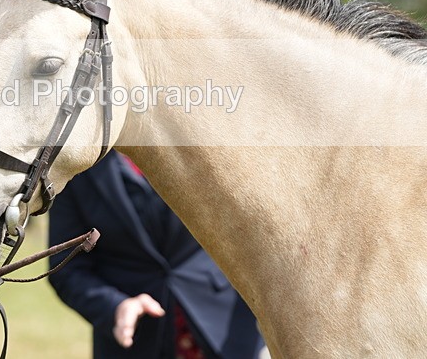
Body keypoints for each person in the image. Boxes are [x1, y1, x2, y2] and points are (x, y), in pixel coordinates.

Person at [48, 150, 266, 359]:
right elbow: (66, 269)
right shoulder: (75, 171)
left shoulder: (205, 151)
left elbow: (256, 239)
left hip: (227, 332)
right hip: (132, 343)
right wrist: (115, 306)